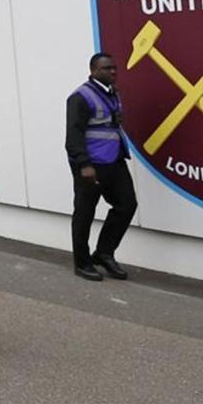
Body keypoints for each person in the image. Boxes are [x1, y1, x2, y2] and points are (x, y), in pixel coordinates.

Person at [65, 52, 136, 281]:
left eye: (114, 68)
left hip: (114, 160)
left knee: (126, 205)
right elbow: (73, 135)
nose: (113, 72)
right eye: (107, 68)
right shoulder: (80, 97)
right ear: (93, 70)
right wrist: (83, 164)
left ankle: (104, 253)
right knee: (85, 213)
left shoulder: (113, 93)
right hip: (91, 164)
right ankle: (82, 262)